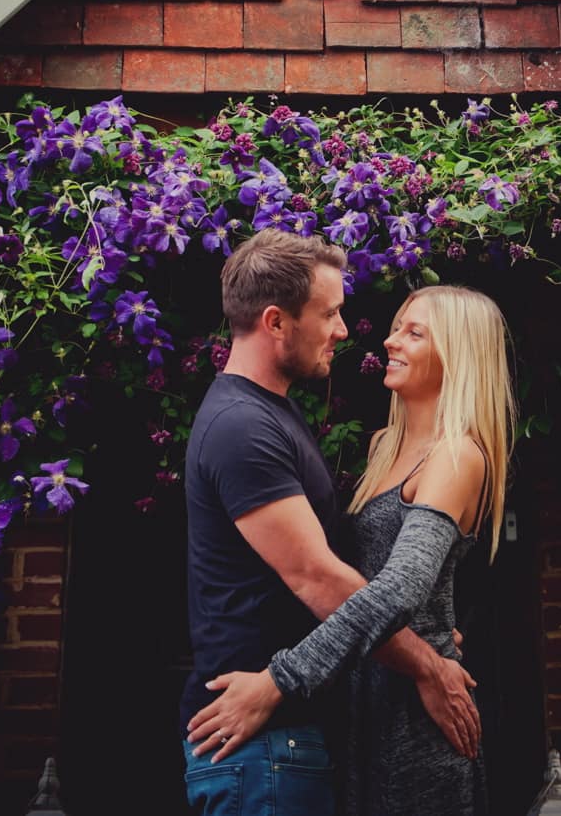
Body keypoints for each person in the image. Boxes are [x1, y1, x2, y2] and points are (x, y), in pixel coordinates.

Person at [181, 232, 482, 816]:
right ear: (276, 322)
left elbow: (375, 567)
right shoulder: (244, 428)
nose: (345, 331)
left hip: (296, 732)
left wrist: (428, 622)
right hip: (262, 739)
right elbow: (317, 578)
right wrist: (427, 660)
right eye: (330, 313)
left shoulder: (275, 413)